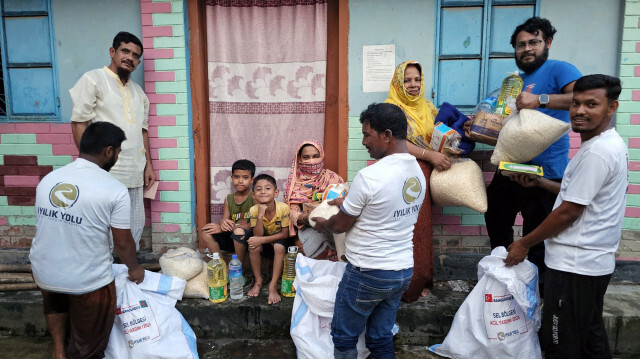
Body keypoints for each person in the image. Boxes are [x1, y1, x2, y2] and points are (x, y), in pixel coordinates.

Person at [505, 74, 626, 358]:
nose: (580, 111)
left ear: (612, 108)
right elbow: (579, 194)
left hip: (575, 266)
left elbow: (569, 212)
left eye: (591, 104)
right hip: (592, 264)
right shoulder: (606, 144)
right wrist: (541, 183)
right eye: (576, 103)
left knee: (559, 344)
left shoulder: (598, 152)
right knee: (590, 338)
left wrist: (524, 243)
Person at [465, 17, 582, 293]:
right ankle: (505, 277)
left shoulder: (560, 69)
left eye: (533, 42)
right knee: (495, 217)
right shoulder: (517, 81)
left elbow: (583, 98)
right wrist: (480, 127)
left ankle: (536, 293)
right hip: (510, 167)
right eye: (521, 45)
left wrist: (541, 99)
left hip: (545, 172)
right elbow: (508, 124)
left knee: (538, 236)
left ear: (548, 43)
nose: (527, 49)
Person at [313, 103, 426, 358]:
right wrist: (349, 203)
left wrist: (323, 224)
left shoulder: (370, 176)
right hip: (401, 271)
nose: (364, 141)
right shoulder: (417, 172)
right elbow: (385, 207)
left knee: (343, 337)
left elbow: (341, 224)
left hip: (368, 272)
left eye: (366, 134)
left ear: (386, 135)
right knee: (380, 336)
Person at [29, 122, 145, 359]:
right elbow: (123, 243)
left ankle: (59, 351)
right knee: (88, 345)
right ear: (109, 151)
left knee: (56, 301)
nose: (117, 158)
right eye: (119, 153)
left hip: (44, 272)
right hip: (86, 281)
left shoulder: (50, 179)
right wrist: (134, 268)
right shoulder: (113, 188)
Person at [70, 31, 155, 251]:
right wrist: (89, 166)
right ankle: (102, 277)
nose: (130, 58)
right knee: (103, 230)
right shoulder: (93, 79)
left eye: (136, 55)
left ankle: (126, 273)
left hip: (134, 171)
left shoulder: (139, 93)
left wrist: (149, 166)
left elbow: (142, 131)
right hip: (105, 172)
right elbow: (79, 122)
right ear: (112, 52)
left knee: (133, 226)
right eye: (125, 51)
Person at [384, 60, 451, 301]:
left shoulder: (428, 107)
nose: (413, 85)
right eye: (407, 80)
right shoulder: (390, 109)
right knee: (407, 228)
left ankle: (421, 278)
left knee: (422, 228)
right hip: (404, 173)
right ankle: (406, 285)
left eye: (417, 79)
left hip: (425, 171)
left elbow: (435, 136)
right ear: (398, 83)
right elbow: (396, 143)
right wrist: (429, 155)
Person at [284, 140, 344, 260]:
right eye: (306, 157)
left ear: (321, 156)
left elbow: (346, 202)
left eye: (316, 156)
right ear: (299, 159)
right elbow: (291, 212)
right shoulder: (294, 183)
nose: (311, 161)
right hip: (307, 227)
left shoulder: (332, 178)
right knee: (306, 246)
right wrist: (305, 218)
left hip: (333, 226)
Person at [247, 174, 293, 304]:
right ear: (253, 195)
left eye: (268, 188)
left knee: (278, 247)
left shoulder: (283, 208)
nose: (263, 192)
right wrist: (260, 216)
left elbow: (284, 234)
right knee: (253, 246)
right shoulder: (254, 210)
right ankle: (258, 280)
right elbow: (258, 235)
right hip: (264, 238)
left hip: (279, 239)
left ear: (276, 192)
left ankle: (273, 286)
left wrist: (261, 240)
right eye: (258, 189)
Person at [201, 159, 255, 268]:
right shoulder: (229, 199)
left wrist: (228, 228)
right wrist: (222, 224)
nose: (240, 181)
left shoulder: (254, 197)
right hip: (231, 237)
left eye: (245, 177)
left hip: (247, 239)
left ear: (252, 180)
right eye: (236, 177)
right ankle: (223, 267)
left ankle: (238, 269)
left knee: (239, 232)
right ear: (231, 178)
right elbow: (224, 219)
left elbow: (253, 225)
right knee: (207, 231)